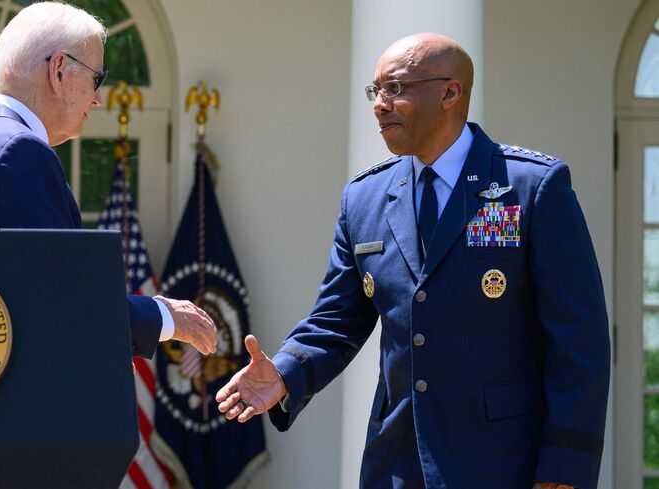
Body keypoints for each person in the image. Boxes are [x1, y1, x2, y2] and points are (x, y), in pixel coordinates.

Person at [216, 33, 609, 489]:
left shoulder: (531, 188)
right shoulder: (364, 199)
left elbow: (580, 342)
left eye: (396, 88)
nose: (379, 104)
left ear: (449, 92)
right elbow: (336, 321)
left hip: (504, 463)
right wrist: (283, 373)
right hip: (397, 464)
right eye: (375, 91)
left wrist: (564, 469)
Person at [0, 2, 216, 360]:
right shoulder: (19, 149)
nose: (97, 98)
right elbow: (60, 299)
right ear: (59, 70)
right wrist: (164, 316)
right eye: (97, 79)